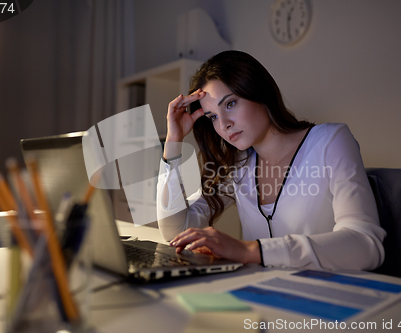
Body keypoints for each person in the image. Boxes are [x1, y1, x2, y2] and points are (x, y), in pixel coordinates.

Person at [156, 50, 386, 270]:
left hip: (329, 301)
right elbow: (174, 230)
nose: (223, 124)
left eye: (230, 103)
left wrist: (250, 251)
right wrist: (173, 142)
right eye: (213, 117)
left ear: (260, 92)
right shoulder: (239, 165)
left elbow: (366, 245)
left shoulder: (330, 141)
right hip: (263, 297)